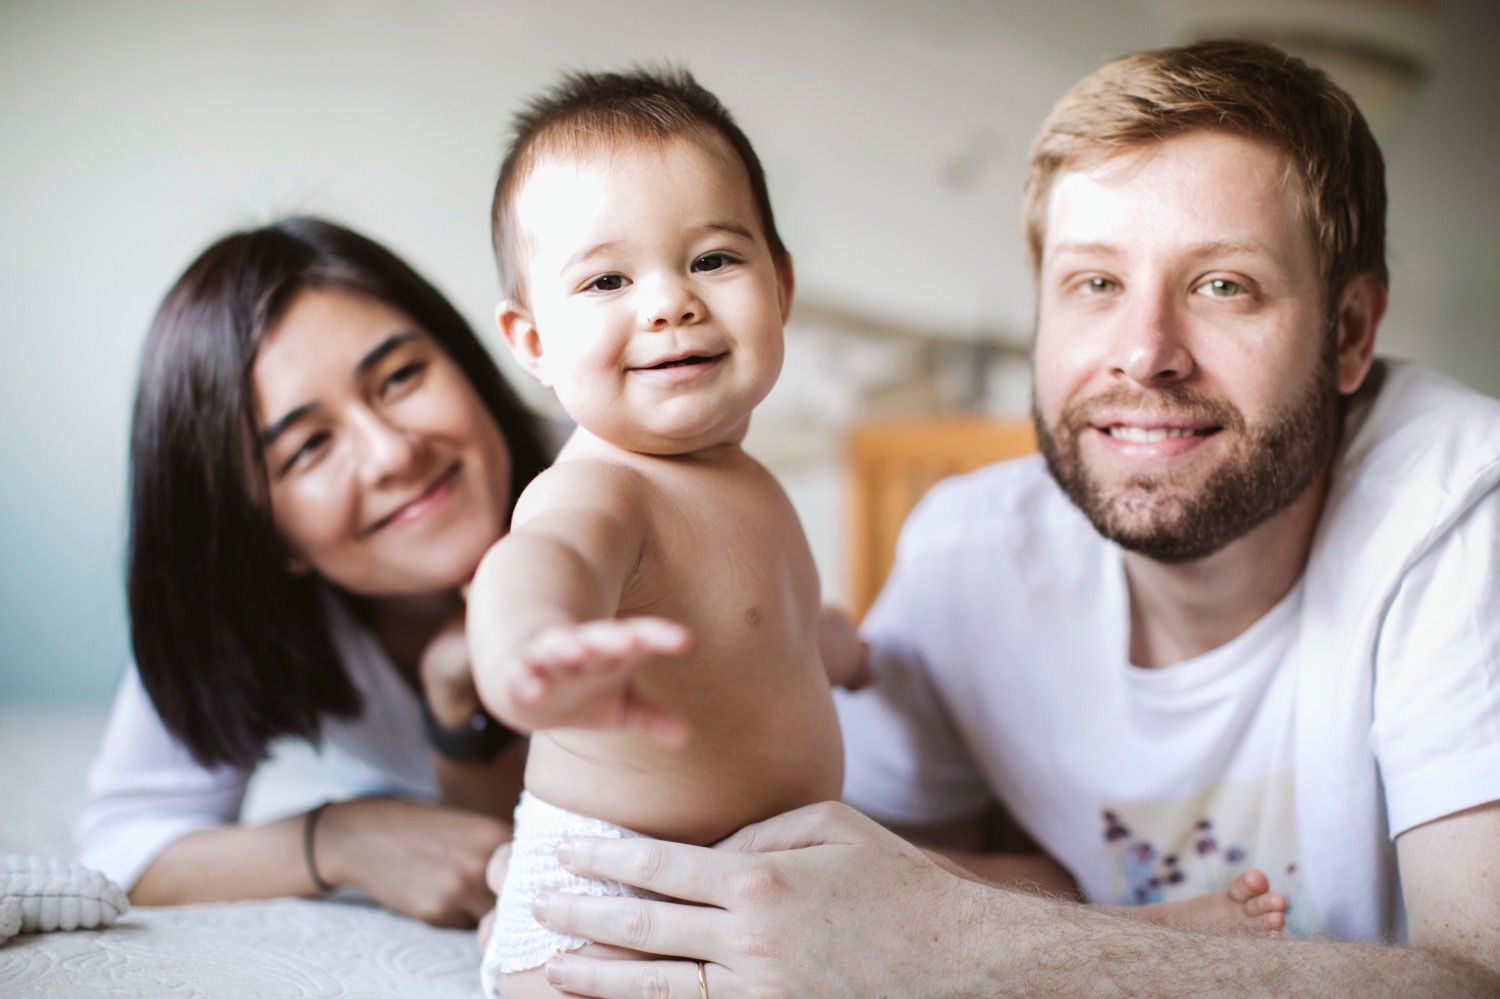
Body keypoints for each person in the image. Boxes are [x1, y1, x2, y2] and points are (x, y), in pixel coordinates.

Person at [493, 40, 1500, 997]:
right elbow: (824, 865)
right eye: (1095, 283)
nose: (1145, 352)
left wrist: (996, 938)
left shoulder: (1459, 505)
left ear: (1352, 331)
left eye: (1222, 284)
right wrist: (531, 647)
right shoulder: (967, 546)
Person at [464, 67, 861, 997]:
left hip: (741, 894)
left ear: (781, 284)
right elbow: (538, 562)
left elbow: (756, 638)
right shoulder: (604, 489)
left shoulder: (745, 482)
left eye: (714, 259)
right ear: (532, 342)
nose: (669, 302)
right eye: (606, 278)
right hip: (610, 914)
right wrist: (530, 645)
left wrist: (833, 646)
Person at [75, 216, 553, 929]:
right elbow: (120, 845)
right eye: (307, 448)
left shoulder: (621, 483)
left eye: (399, 377)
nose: (392, 453)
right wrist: (339, 837)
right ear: (262, 534)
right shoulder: (247, 609)